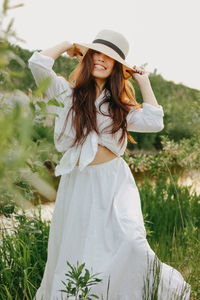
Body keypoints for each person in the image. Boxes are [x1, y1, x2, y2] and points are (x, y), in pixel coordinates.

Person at [28, 29, 190, 300]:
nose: (101, 60)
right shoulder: (65, 93)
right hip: (79, 181)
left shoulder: (120, 107)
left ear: (116, 67)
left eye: (109, 57)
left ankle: (148, 289)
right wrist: (70, 44)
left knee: (130, 241)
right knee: (79, 244)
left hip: (114, 181)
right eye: (96, 54)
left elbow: (155, 121)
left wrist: (143, 82)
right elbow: (37, 64)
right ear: (87, 58)